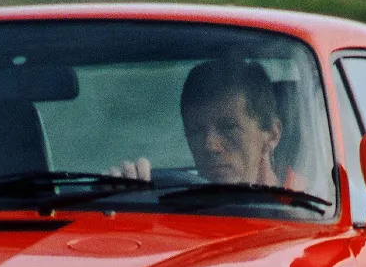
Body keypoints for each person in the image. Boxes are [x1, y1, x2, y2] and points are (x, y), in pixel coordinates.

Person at [110, 59, 290, 187]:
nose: (210, 145)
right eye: (196, 131)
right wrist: (124, 199)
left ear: (272, 135)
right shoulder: (174, 201)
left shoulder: (310, 206)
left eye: (229, 127)